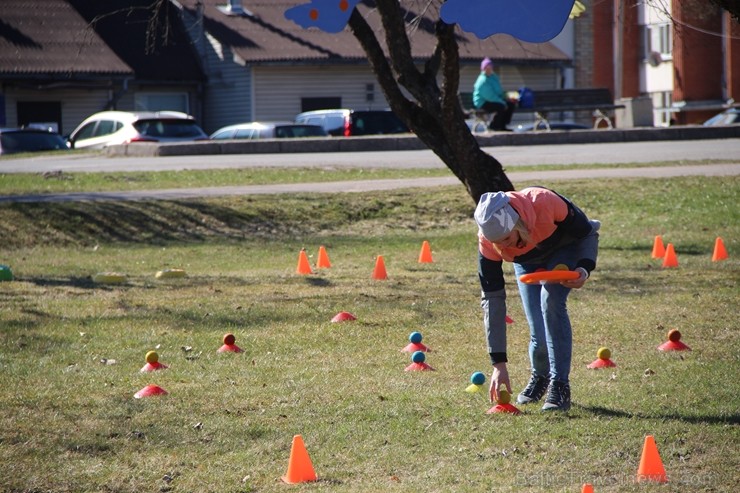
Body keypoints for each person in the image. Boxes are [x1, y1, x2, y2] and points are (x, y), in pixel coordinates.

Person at [474, 187, 600, 411]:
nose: (503, 247)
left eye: (506, 238)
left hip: (564, 249)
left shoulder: (544, 202)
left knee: (550, 301)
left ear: (516, 223)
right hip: (527, 263)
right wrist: (498, 364)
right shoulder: (488, 243)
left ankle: (560, 385)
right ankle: (540, 377)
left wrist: (584, 268)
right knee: (538, 331)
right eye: (498, 243)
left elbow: (588, 232)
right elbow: (492, 299)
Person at [472, 58, 517, 131]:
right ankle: (494, 126)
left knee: (510, 104)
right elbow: (490, 96)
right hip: (483, 102)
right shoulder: (482, 80)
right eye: (487, 67)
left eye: (490, 67)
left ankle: (503, 126)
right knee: (501, 106)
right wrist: (502, 102)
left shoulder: (494, 77)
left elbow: (499, 91)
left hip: (494, 100)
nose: (489, 69)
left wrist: (507, 97)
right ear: (483, 69)